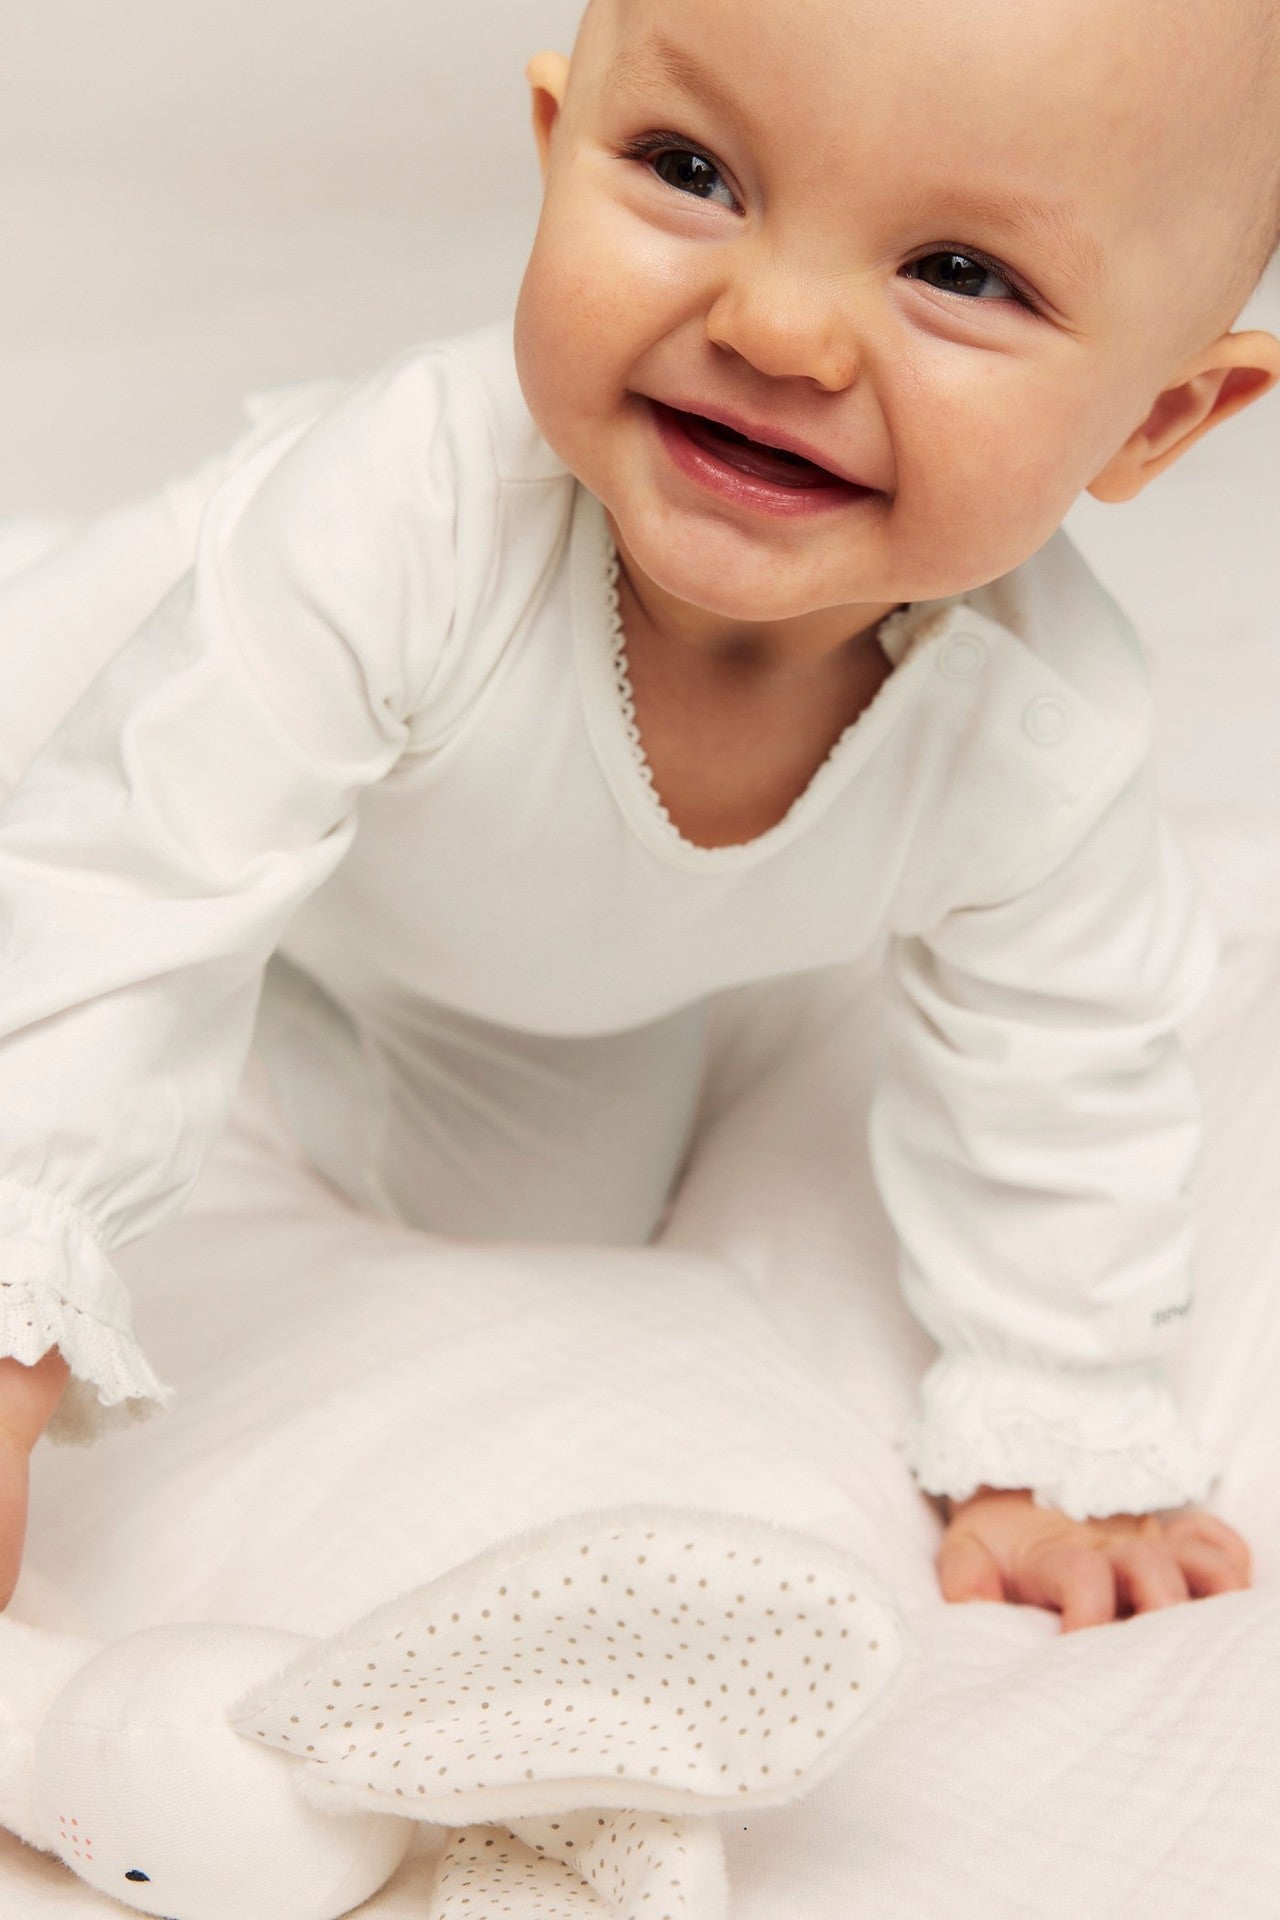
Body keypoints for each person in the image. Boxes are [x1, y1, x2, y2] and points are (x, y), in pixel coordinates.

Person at [0, 0, 1277, 1633]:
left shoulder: (1038, 732)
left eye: (960, 273)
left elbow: (1073, 1075)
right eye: (691, 170)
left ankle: (275, 1006)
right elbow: (128, 869)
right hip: (160, 691)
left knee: (535, 1222)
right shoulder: (410, 510)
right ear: (554, 157)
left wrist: (1062, 1435)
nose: (783, 331)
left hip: (491, 967)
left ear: (1159, 419)